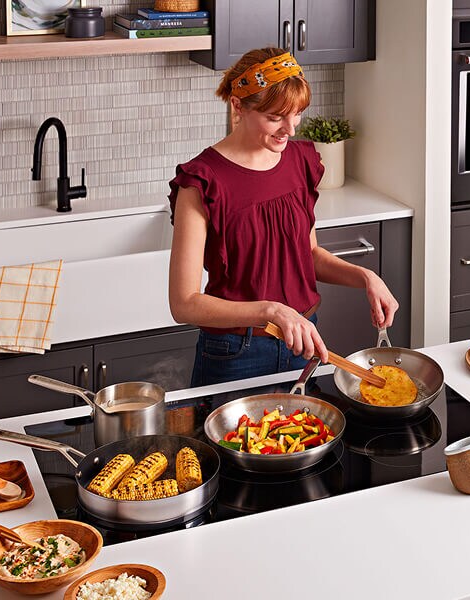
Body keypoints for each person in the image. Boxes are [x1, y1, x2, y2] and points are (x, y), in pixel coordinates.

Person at [168, 47, 399, 387]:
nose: (289, 130)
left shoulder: (300, 163)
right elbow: (183, 303)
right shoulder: (202, 181)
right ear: (237, 106)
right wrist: (269, 311)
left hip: (304, 342)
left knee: (309, 440)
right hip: (235, 352)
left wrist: (365, 276)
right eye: (275, 117)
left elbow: (309, 255)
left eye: (297, 114)